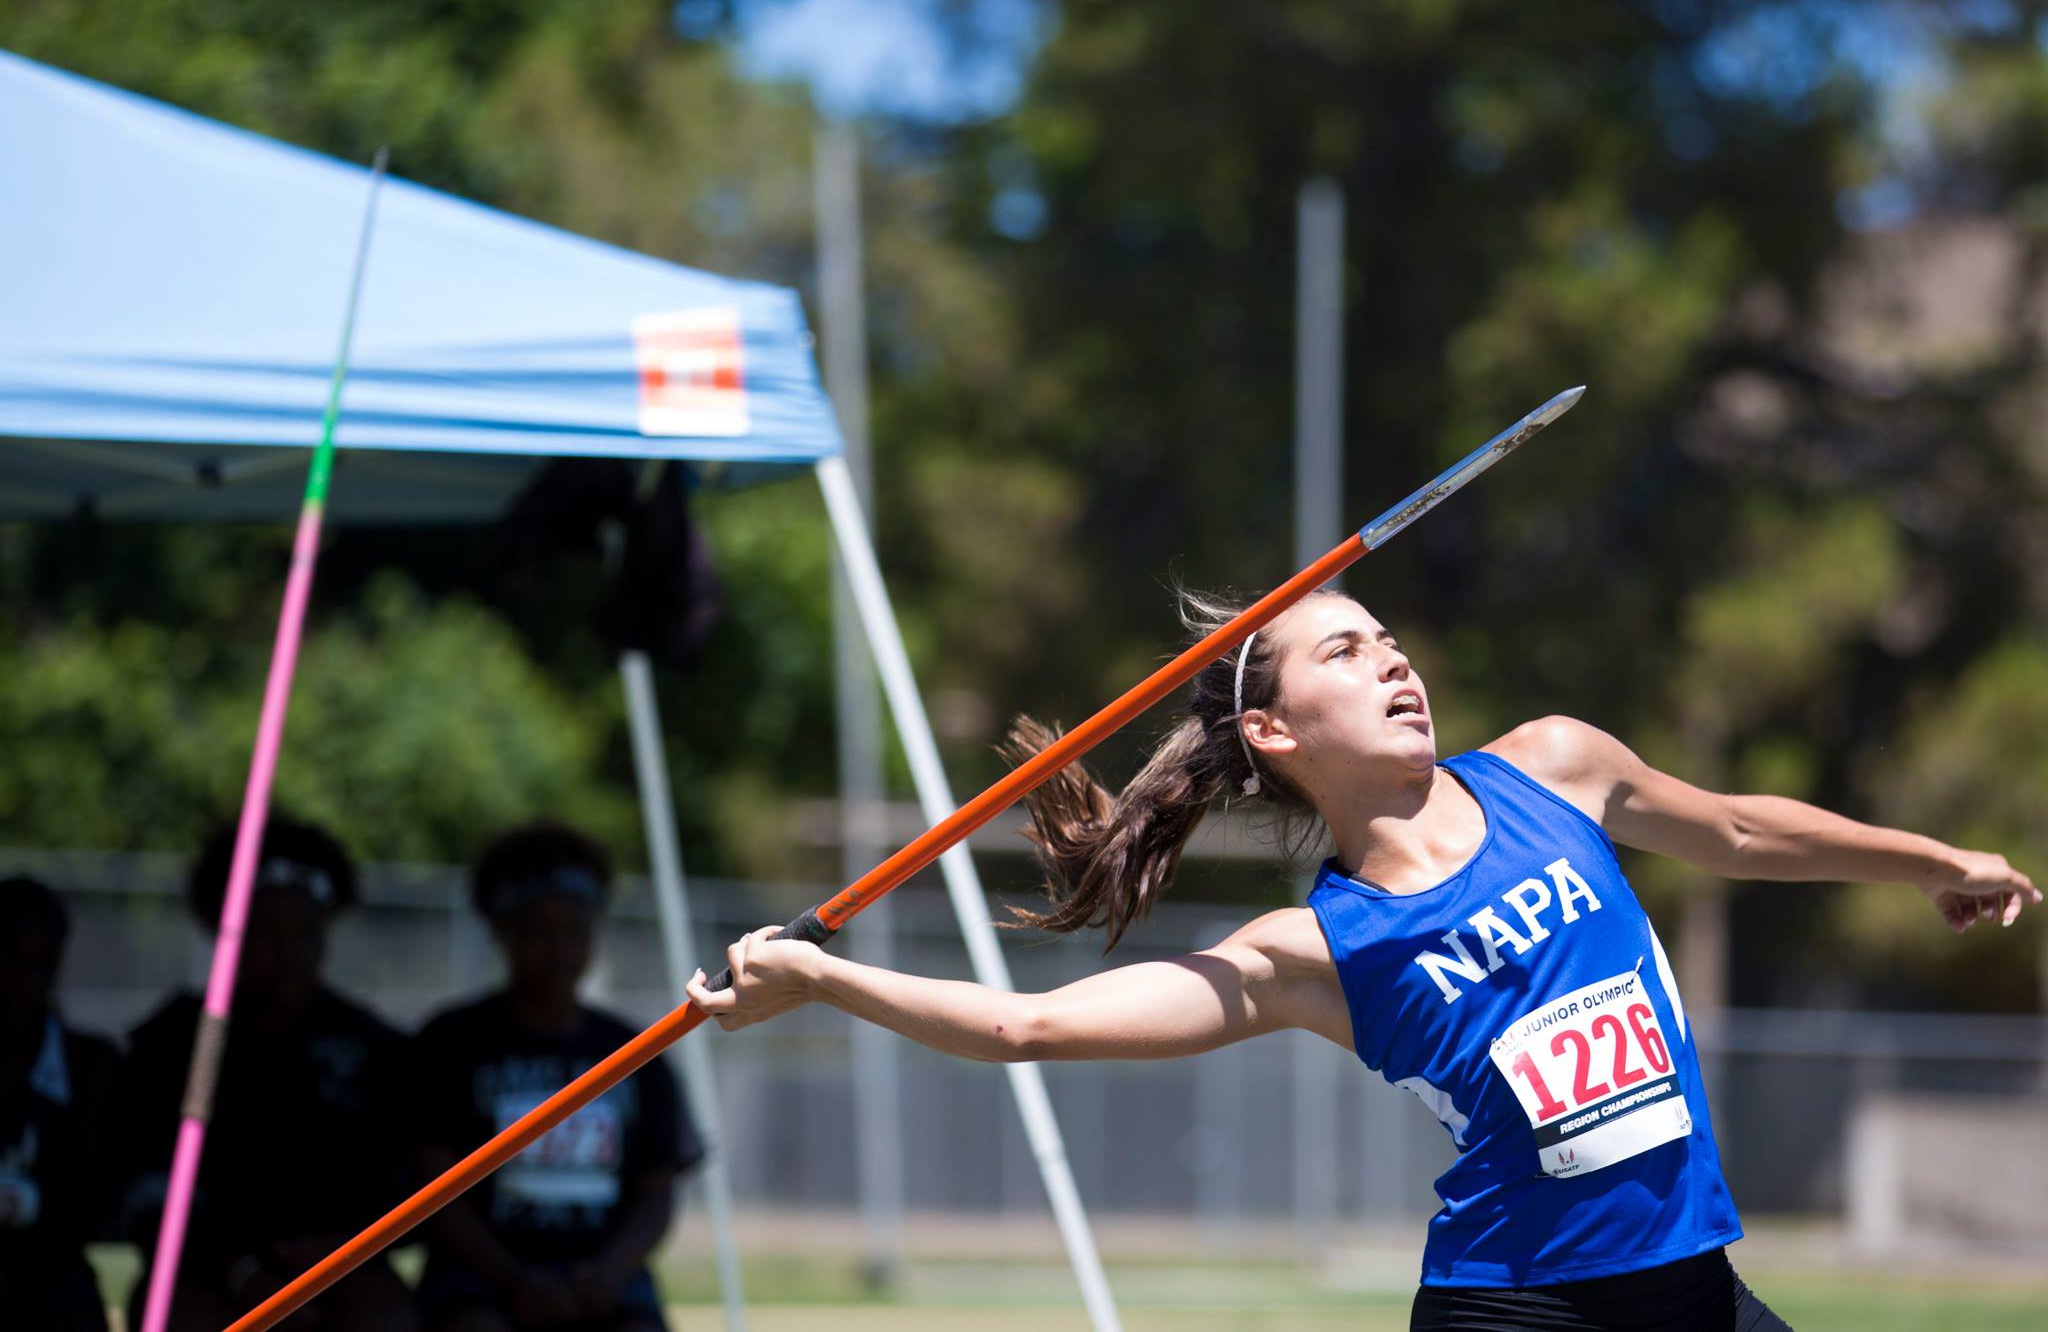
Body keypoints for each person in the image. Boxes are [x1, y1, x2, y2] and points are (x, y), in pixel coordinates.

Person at [688, 588, 2039, 1332]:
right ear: (1277, 731)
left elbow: (1742, 826)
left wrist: (1931, 860)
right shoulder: (1308, 951)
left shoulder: (1554, 766)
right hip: (1518, 1314)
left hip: (1693, 1288)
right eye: (1347, 649)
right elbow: (1021, 1030)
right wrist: (820, 977)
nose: (1395, 660)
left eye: (1391, 638)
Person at [117, 819, 418, 1331]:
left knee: (385, 1316)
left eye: (305, 932)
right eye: (266, 932)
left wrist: (337, 1251)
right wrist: (241, 1270)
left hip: (341, 1264)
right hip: (210, 1270)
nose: (288, 953)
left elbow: (401, 1181)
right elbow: (146, 1188)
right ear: (227, 930)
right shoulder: (187, 1038)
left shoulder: (368, 1046)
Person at [410, 823, 703, 1332]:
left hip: (603, 1281)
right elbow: (431, 1187)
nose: (559, 949)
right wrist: (511, 1279)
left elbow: (657, 1190)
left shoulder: (636, 1051)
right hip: (479, 1281)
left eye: (575, 930)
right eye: (540, 930)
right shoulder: (450, 1044)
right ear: (503, 932)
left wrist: (609, 1274)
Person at [0, 875, 119, 1331]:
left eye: (40, 963)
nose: (21, 982)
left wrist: (24, 1278)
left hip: (49, 1283)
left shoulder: (90, 1068)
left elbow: (87, 1207)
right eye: (8, 958)